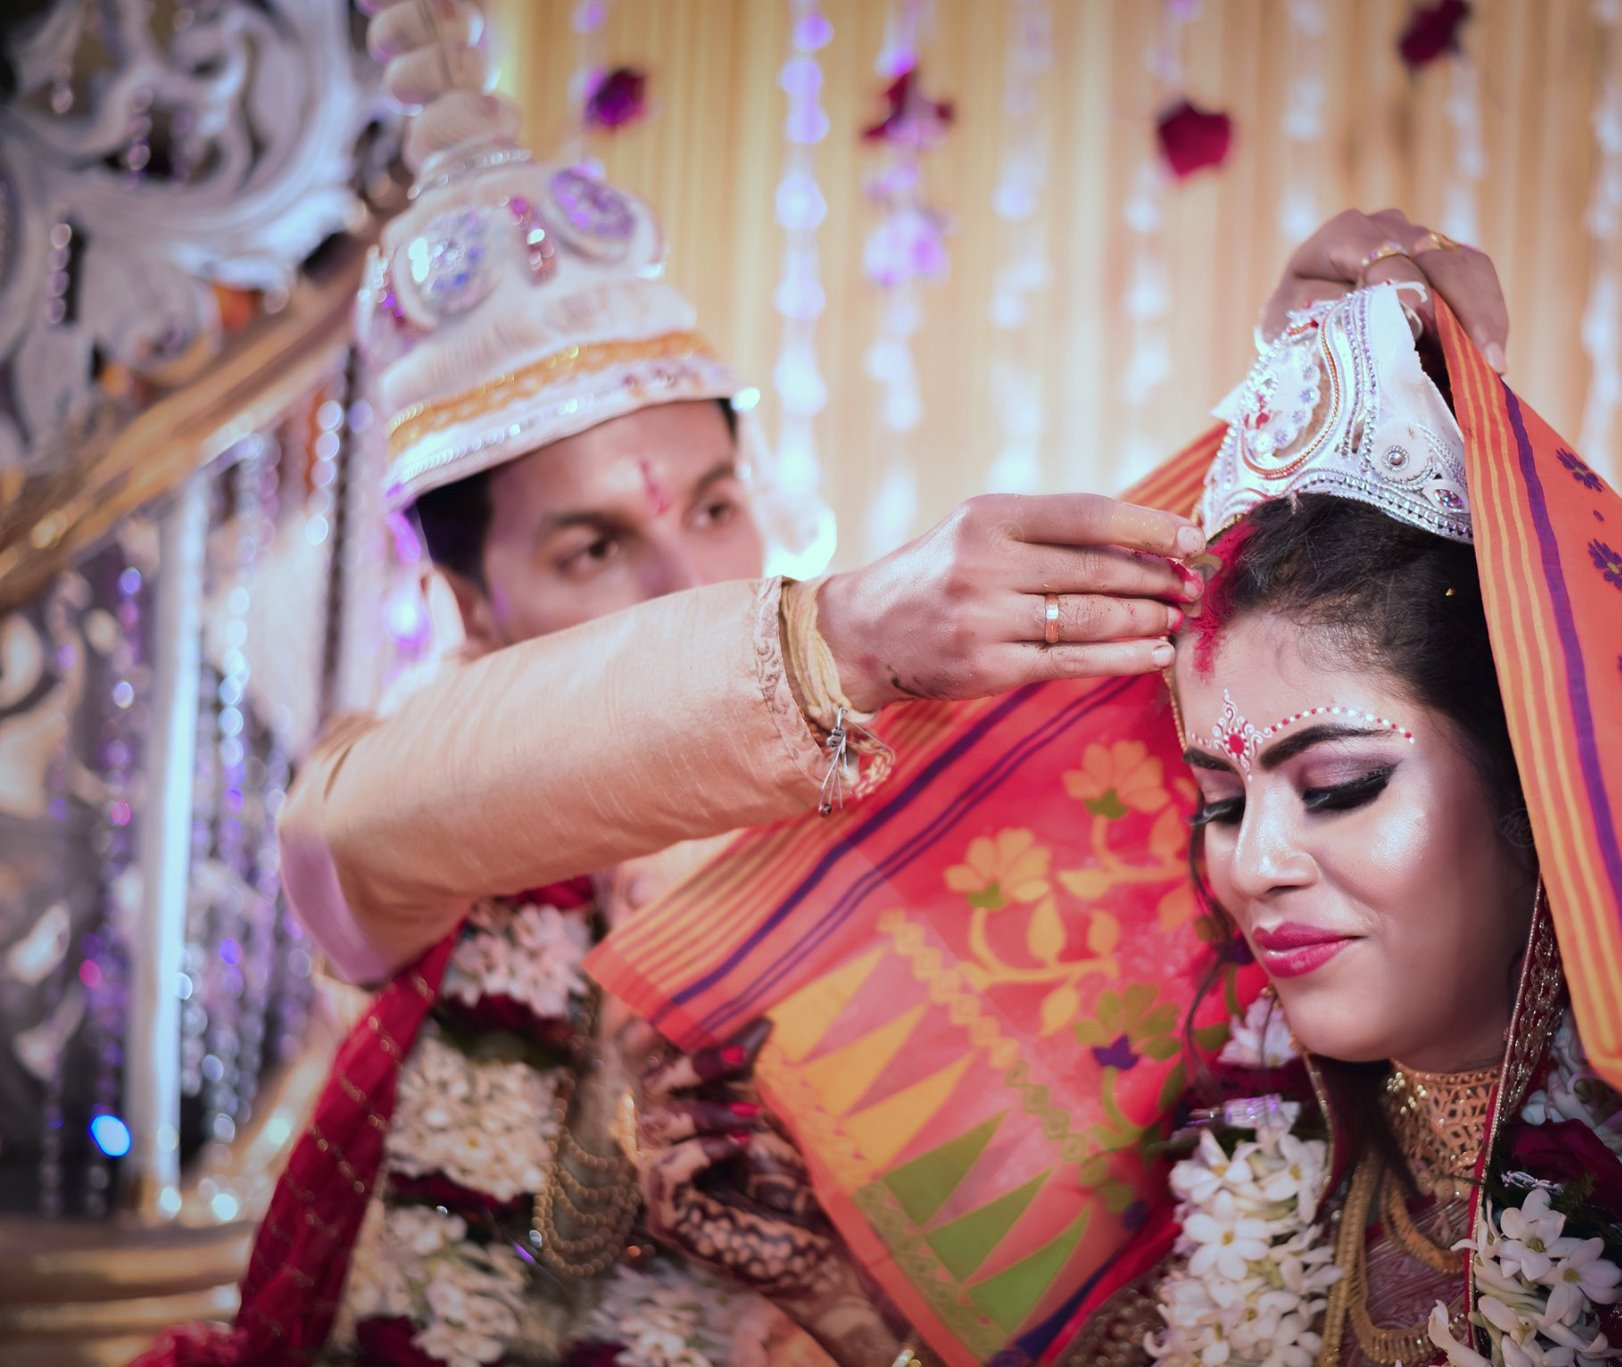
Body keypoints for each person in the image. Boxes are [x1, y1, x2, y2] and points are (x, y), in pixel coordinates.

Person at [136, 1, 1515, 1363]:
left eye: (717, 504)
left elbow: (1211, 693)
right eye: (593, 543)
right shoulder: (431, 827)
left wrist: (1310, 391)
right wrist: (829, 638)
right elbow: (341, 821)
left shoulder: (899, 794)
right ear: (466, 600)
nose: (689, 580)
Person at [631, 281, 1622, 1366]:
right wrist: (840, 1304)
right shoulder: (1233, 1162)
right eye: (1223, 798)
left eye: (1343, 784)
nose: (1256, 866)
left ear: (1532, 775)